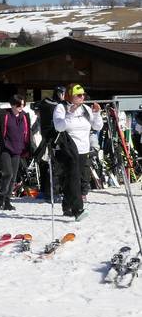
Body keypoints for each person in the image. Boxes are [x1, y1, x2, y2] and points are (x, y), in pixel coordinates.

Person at [53, 84, 102, 220]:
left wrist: (97, 113)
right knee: (74, 178)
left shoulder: (86, 109)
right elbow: (59, 127)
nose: (82, 97)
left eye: (83, 95)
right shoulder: (61, 108)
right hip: (68, 148)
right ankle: (78, 209)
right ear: (70, 96)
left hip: (83, 149)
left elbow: (97, 126)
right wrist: (70, 113)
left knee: (74, 179)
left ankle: (67, 205)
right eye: (78, 95)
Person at [0, 95, 33, 211]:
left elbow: (28, 134)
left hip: (18, 150)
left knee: (13, 177)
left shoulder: (25, 117)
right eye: (19, 105)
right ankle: (1, 198)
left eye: (23, 105)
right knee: (7, 174)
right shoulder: (4, 115)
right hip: (5, 149)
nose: (21, 107)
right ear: (12, 105)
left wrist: (30, 149)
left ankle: (7, 201)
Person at [36, 86, 66, 201]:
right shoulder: (54, 105)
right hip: (51, 138)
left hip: (50, 138)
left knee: (50, 165)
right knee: (53, 165)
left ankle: (47, 190)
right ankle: (50, 191)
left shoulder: (49, 104)